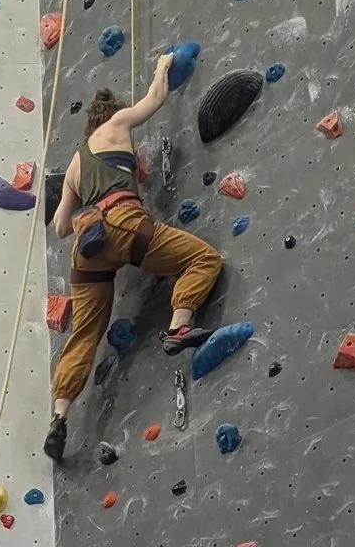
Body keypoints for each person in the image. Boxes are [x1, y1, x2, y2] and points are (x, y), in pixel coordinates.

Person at [44, 50, 223, 463]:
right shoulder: (117, 123)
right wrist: (162, 65)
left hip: (87, 250)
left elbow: (60, 227)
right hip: (125, 223)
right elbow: (155, 100)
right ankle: (179, 327)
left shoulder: (74, 164)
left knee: (84, 336)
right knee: (203, 260)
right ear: (112, 114)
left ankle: (59, 417)